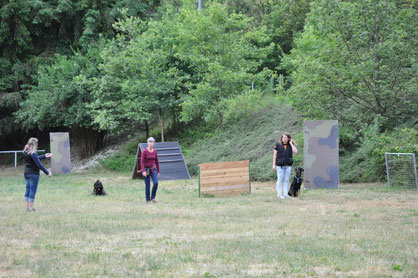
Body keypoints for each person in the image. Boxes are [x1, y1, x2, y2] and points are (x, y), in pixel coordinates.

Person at [23, 137, 53, 212]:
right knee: (32, 191)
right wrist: (47, 172)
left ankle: (27, 208)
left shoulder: (25, 151)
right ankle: (30, 209)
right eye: (37, 143)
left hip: (26, 173)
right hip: (33, 174)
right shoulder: (33, 152)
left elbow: (34, 158)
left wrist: (44, 156)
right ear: (34, 144)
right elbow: (39, 165)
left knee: (28, 190)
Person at [273, 132, 298, 199]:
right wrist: (274, 165)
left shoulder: (290, 145)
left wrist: (291, 144)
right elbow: (274, 156)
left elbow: (296, 151)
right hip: (280, 166)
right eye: (283, 137)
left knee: (286, 180)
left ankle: (286, 194)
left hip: (288, 166)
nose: (283, 138)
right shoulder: (277, 145)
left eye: (285, 137)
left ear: (288, 138)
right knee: (280, 180)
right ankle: (279, 195)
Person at [140, 137, 160, 203]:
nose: (150, 143)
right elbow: (142, 162)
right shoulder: (144, 151)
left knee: (156, 183)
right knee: (147, 185)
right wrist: (143, 171)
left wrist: (158, 171)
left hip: (153, 169)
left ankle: (153, 197)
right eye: (149, 142)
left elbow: (156, 161)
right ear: (147, 143)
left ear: (154, 143)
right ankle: (148, 199)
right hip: (146, 170)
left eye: (152, 142)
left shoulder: (155, 151)